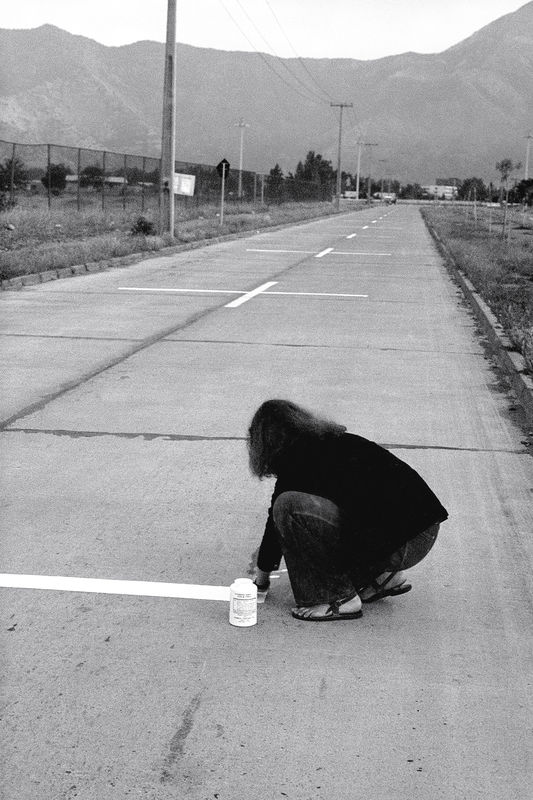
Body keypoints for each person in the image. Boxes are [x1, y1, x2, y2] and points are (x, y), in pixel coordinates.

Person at [247, 399, 448, 622]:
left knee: (287, 507)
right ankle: (381, 578)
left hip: (405, 542)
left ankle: (339, 600)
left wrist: (261, 577)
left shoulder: (296, 459)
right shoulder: (327, 441)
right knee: (346, 518)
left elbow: (276, 523)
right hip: (423, 531)